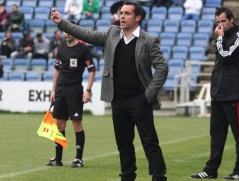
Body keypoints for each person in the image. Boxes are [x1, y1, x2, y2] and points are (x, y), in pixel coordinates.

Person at [51, 1, 168, 180]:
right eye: (121, 13)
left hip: (140, 100)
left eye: (127, 13)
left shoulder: (149, 41)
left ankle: (159, 177)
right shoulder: (112, 34)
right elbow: (86, 34)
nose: (122, 16)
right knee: (123, 144)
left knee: (150, 142)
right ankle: (127, 176)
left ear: (137, 17)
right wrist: (62, 22)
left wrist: (149, 94)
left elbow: (162, 68)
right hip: (118, 100)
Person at [190, 7, 239, 180]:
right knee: (216, 136)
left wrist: (220, 39)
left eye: (223, 21)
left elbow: (225, 56)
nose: (220, 25)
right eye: (218, 22)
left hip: (233, 94)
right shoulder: (223, 39)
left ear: (232, 20)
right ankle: (211, 170)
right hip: (218, 93)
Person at [46, 21, 96, 168]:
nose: (66, 33)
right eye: (64, 31)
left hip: (75, 90)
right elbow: (56, 69)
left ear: (75, 31)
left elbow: (92, 71)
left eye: (68, 31)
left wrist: (88, 90)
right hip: (61, 90)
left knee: (76, 124)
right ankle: (58, 159)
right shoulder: (61, 48)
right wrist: (53, 90)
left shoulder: (84, 49)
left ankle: (78, 159)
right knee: (59, 124)